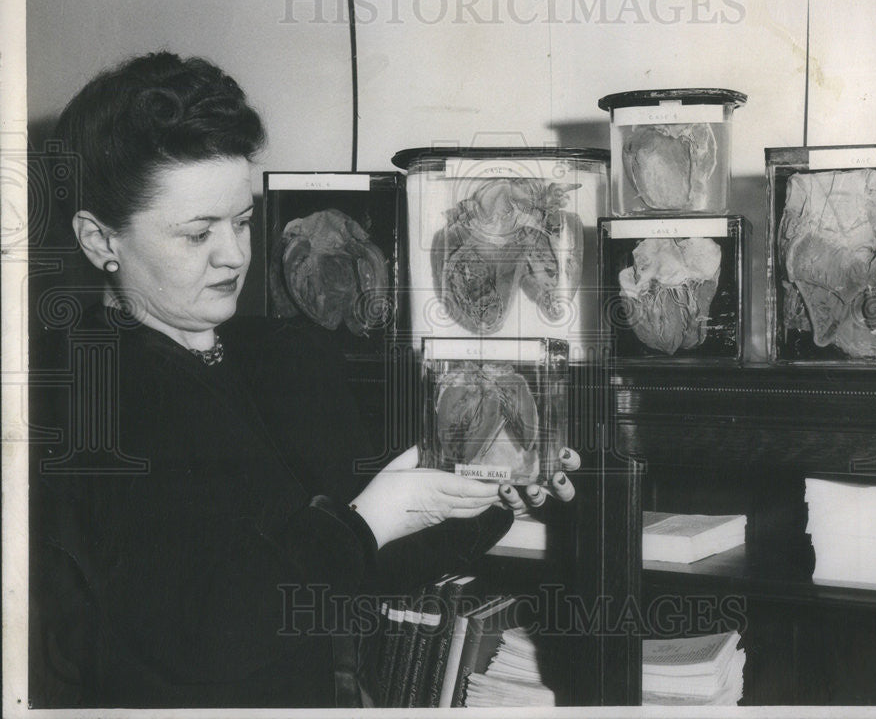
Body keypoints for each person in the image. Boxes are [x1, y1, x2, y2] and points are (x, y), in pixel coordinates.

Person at [29, 52, 580, 708]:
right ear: (99, 240)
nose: (234, 254)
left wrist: (479, 496)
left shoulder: (282, 353)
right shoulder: (80, 395)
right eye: (197, 233)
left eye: (240, 219)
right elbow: (205, 633)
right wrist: (365, 522)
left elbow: (355, 573)